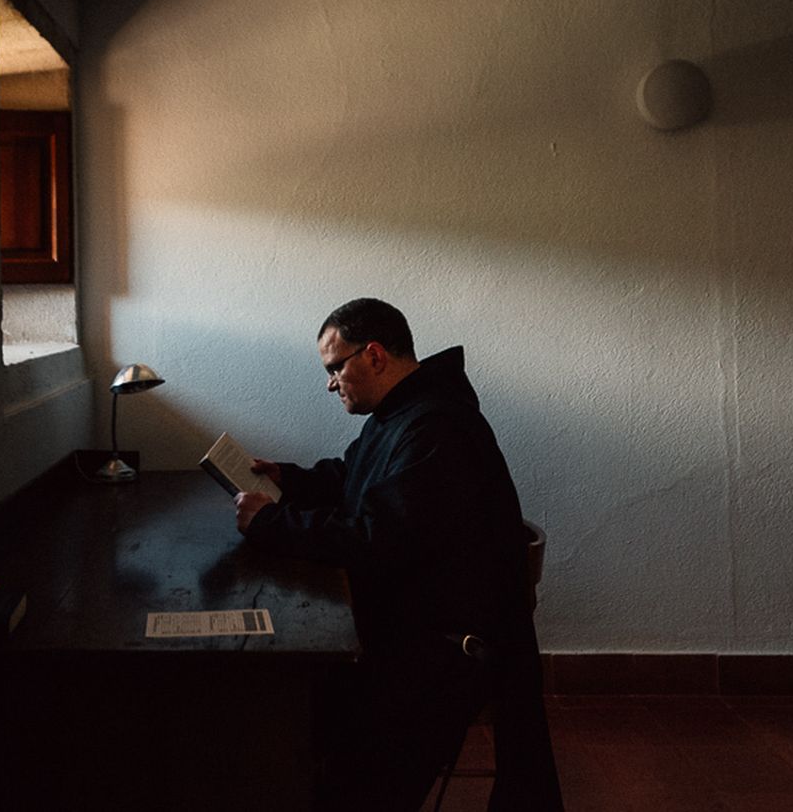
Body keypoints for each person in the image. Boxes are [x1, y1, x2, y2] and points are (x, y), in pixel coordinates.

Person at [234, 298, 564, 811]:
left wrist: (273, 524)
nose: (331, 384)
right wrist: (289, 480)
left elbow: (375, 538)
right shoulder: (405, 410)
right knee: (294, 709)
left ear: (374, 355)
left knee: (305, 728)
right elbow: (353, 476)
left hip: (441, 653)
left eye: (334, 367)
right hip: (414, 627)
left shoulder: (437, 427)